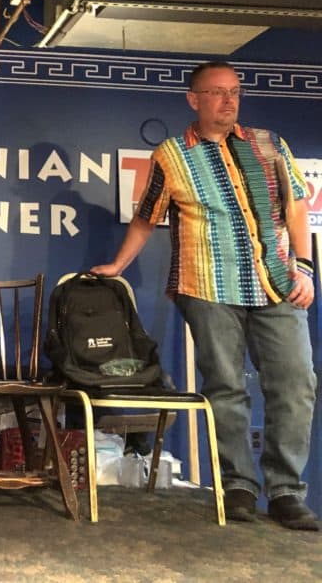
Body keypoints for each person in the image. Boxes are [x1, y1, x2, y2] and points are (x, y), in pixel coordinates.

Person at [91, 60, 318, 531]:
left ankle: (286, 492)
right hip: (207, 286)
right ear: (194, 100)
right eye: (216, 92)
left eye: (234, 91)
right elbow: (146, 217)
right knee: (226, 387)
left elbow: (296, 204)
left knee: (296, 384)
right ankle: (237, 485)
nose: (228, 100)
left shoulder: (269, 144)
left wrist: (307, 267)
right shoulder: (171, 156)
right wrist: (117, 265)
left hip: (277, 280)